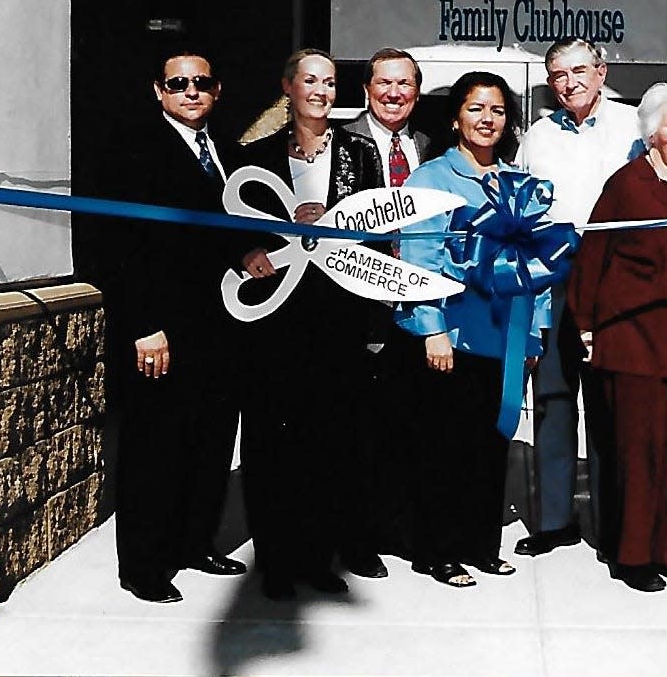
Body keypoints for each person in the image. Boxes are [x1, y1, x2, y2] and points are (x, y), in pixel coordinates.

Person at [235, 48, 383, 600]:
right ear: (288, 88)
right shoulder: (254, 154)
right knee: (275, 443)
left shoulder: (359, 151)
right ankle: (275, 560)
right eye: (310, 80)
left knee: (331, 441)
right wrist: (254, 250)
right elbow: (234, 223)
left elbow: (378, 225)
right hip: (276, 319)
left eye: (329, 81)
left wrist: (340, 227)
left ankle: (319, 560)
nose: (321, 90)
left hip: (337, 315)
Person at [395, 71, 550, 588]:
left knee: (491, 443)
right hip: (452, 336)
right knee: (445, 445)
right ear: (456, 117)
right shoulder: (431, 179)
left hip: (503, 337)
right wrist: (431, 328)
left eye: (498, 110)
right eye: (477, 108)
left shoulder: (517, 183)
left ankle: (481, 544)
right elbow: (419, 259)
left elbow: (539, 262)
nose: (488, 120)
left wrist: (535, 333)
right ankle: (437, 550)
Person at [102, 51, 246, 603]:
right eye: (178, 83)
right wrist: (145, 325)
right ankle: (144, 564)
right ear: (158, 90)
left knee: (209, 441)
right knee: (155, 447)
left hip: (221, 326)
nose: (191, 91)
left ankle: (195, 543)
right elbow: (121, 247)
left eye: (201, 83)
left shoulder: (226, 152)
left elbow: (228, 233)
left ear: (217, 90)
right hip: (161, 329)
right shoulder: (132, 149)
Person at [568, 82, 667, 592]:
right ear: (651, 131)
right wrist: (585, 325)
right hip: (634, 339)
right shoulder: (627, 184)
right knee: (638, 450)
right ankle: (632, 554)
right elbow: (593, 256)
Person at [514, 37, 644, 562]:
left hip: (618, 278)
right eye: (559, 74)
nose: (570, 82)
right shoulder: (537, 136)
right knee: (553, 396)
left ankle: (616, 523)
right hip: (556, 279)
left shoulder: (634, 125)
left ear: (601, 70)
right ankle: (554, 520)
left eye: (579, 70)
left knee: (613, 402)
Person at [342, 47, 431, 562]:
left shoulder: (425, 144)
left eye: (405, 85)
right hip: (363, 304)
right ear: (367, 89)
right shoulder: (343, 142)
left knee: (409, 423)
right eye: (385, 83)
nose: (394, 93)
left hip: (416, 304)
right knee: (363, 429)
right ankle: (360, 539)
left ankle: (401, 529)